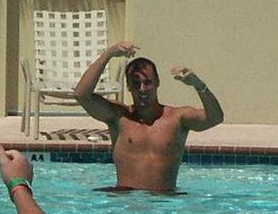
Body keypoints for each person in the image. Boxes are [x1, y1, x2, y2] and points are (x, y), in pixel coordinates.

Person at [72, 40, 224, 192]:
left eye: (147, 82)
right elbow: (81, 95)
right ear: (129, 86)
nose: (142, 89)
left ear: (157, 82)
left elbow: (216, 118)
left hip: (165, 202)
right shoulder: (118, 116)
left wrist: (199, 85)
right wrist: (108, 54)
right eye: (136, 83)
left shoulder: (177, 118)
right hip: (127, 200)